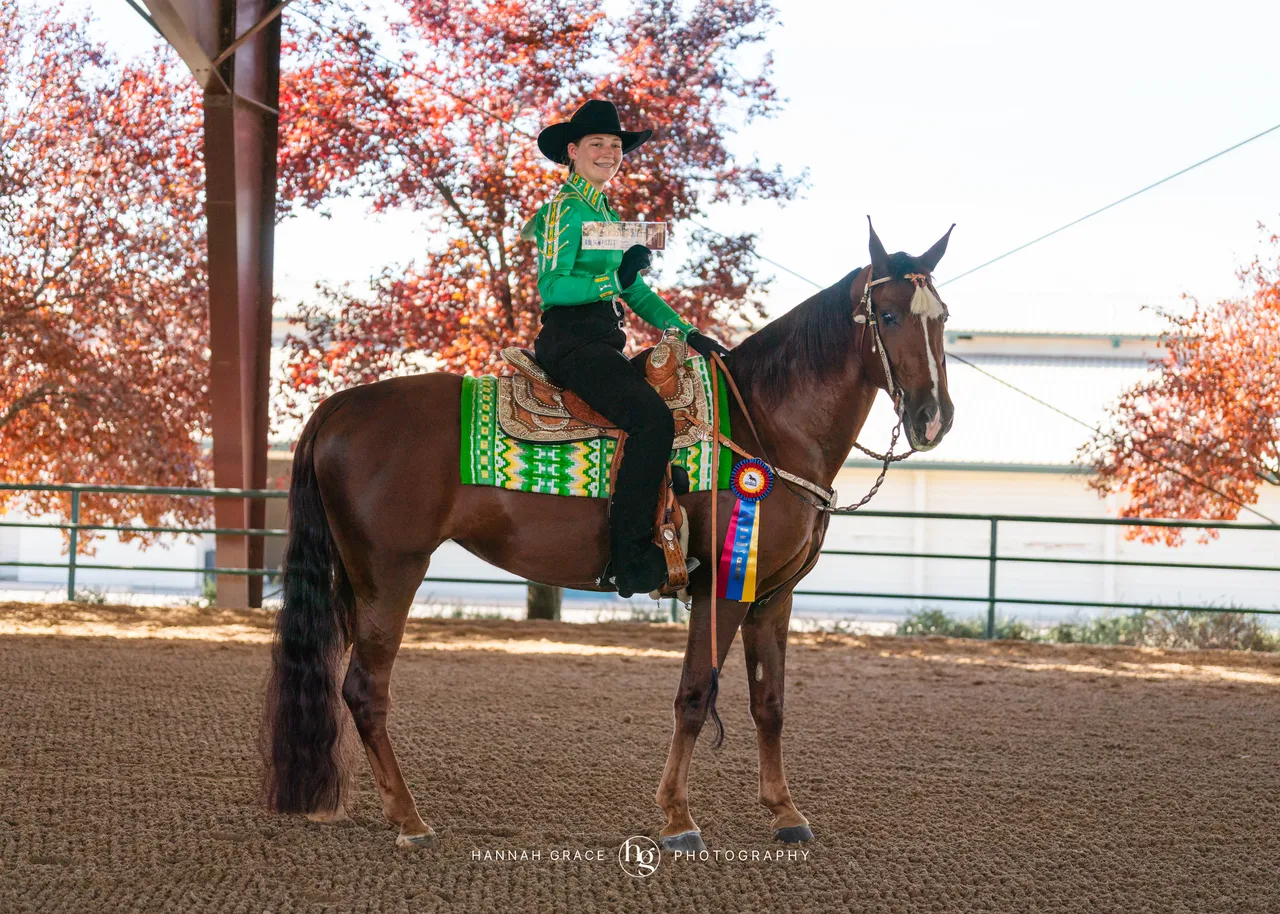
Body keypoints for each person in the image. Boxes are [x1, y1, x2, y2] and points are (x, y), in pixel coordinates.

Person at [528, 99, 729, 597]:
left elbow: (633, 291)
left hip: (602, 341)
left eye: (616, 145)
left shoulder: (609, 215)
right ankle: (630, 558)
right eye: (597, 143)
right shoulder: (561, 211)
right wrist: (609, 279)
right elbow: (553, 289)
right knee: (652, 419)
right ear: (571, 152)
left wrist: (684, 332)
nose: (609, 152)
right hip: (571, 340)